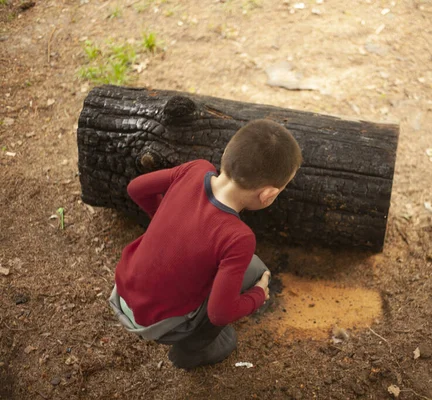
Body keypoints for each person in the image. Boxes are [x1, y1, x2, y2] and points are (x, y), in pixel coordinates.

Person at [108, 119, 302, 369]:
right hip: (158, 325)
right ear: (268, 195)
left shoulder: (194, 169)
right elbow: (219, 313)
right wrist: (257, 295)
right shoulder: (238, 238)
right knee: (255, 271)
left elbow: (136, 188)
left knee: (230, 267)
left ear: (227, 156)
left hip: (122, 291)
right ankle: (191, 352)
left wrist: (163, 220)